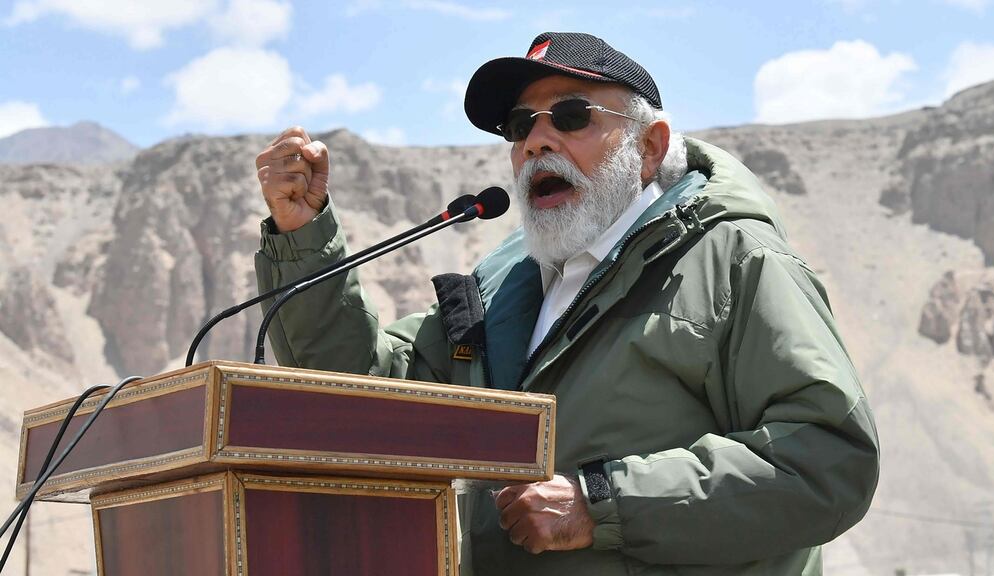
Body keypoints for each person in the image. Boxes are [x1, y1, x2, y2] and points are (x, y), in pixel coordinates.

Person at [253, 32, 879, 576]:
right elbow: (361, 391)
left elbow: (826, 459)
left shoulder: (735, 261)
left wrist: (599, 504)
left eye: (571, 116)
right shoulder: (502, 290)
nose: (536, 143)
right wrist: (304, 238)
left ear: (651, 147)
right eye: (521, 127)